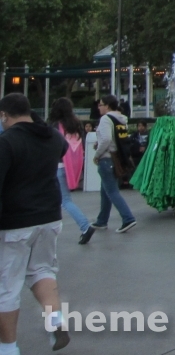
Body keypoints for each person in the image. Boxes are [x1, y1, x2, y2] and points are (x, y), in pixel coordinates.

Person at [0, 93, 72, 352]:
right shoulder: (52, 136)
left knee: (6, 286)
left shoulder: (7, 142)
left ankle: (8, 348)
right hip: (49, 217)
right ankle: (55, 319)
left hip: (16, 221)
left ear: (5, 115)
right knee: (42, 270)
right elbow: (62, 149)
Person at [46, 98, 94, 245]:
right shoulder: (75, 125)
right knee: (55, 200)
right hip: (71, 166)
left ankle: (85, 226)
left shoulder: (54, 126)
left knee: (64, 201)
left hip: (57, 166)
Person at [92, 95, 136, 234]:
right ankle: (102, 220)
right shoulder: (121, 118)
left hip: (106, 158)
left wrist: (97, 154)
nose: (99, 107)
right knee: (106, 190)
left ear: (108, 106)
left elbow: (106, 139)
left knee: (111, 191)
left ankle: (128, 218)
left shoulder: (106, 119)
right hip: (117, 159)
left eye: (101, 105)